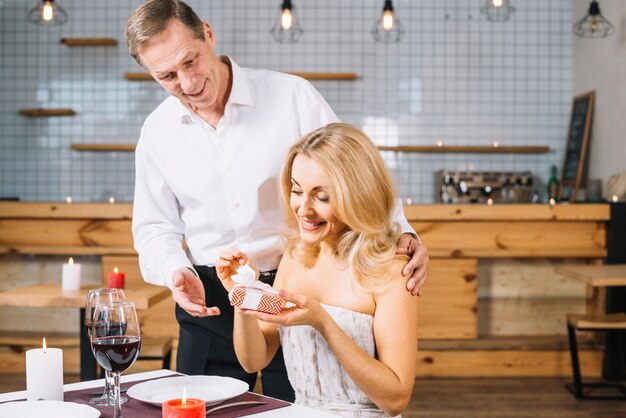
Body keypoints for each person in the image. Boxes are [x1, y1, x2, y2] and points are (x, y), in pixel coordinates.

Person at [126, 0, 428, 402]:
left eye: (190, 61)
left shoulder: (291, 96)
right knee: (196, 409)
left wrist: (402, 235)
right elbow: (154, 227)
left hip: (300, 280)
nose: (187, 81)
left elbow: (350, 171)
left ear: (208, 35)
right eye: (166, 76)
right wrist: (175, 269)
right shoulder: (157, 132)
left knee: (303, 399)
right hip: (214, 292)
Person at [217, 123, 418, 417]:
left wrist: (323, 322)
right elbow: (255, 360)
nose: (303, 209)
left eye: (322, 197)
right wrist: (242, 296)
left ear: (358, 196)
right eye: (297, 191)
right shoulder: (293, 260)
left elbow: (395, 399)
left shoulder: (392, 271)